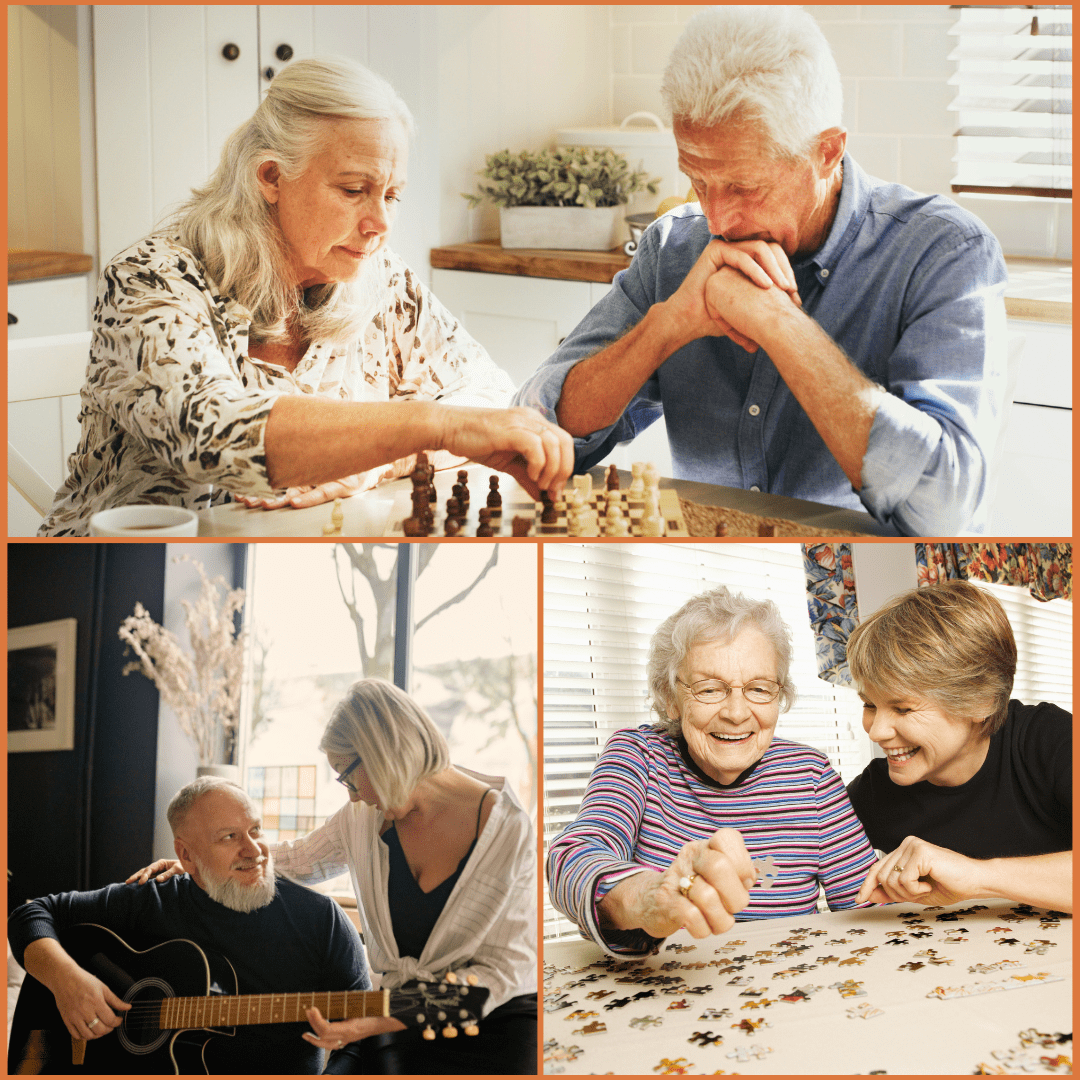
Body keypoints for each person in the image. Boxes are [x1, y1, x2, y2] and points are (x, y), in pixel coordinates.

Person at [513, 7, 1008, 537]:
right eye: (698, 182)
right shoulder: (674, 248)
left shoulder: (945, 252)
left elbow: (946, 513)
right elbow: (534, 428)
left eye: (745, 188)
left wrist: (780, 324)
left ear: (827, 151)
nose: (718, 220)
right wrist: (666, 326)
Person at [41, 56, 572, 535]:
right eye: (353, 190)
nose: (379, 223)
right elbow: (212, 437)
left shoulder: (379, 276)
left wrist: (382, 460)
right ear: (271, 177)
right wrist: (435, 426)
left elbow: (486, 394)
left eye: (392, 195)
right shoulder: (150, 278)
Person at [132, 679, 537, 1074]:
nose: (352, 795)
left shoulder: (510, 830)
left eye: (346, 774)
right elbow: (294, 860)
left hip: (496, 1021)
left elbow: (501, 973)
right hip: (395, 1022)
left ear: (382, 753)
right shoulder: (361, 819)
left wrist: (380, 1021)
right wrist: (198, 865)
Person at [547, 586, 877, 958]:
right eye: (709, 689)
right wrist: (649, 897)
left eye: (758, 688)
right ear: (670, 698)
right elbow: (572, 857)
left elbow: (869, 909)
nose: (736, 713)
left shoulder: (811, 776)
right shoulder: (638, 756)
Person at [8, 777, 370, 1075]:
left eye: (255, 830)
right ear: (185, 855)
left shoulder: (321, 920)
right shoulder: (155, 899)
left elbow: (364, 1036)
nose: (255, 850)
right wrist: (67, 981)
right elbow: (34, 914)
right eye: (229, 837)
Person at [845, 579, 1072, 913]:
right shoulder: (872, 792)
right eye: (869, 705)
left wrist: (977, 877)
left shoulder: (1052, 741)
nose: (876, 731)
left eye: (903, 708)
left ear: (980, 701)